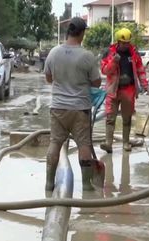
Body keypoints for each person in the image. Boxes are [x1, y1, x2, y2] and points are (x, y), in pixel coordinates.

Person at [44, 17, 101, 191]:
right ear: (82, 33)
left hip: (58, 108)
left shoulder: (54, 52)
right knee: (83, 145)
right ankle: (86, 186)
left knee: (55, 143)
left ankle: (49, 184)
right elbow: (96, 82)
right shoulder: (87, 56)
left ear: (68, 32)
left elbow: (48, 78)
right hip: (80, 110)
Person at [100, 28, 149, 153]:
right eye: (123, 43)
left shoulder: (133, 54)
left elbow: (140, 70)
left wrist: (145, 84)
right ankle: (108, 143)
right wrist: (114, 62)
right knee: (110, 117)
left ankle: (126, 143)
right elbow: (105, 70)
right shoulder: (109, 53)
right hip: (112, 90)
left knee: (127, 117)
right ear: (118, 41)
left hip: (129, 90)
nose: (126, 45)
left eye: (127, 42)